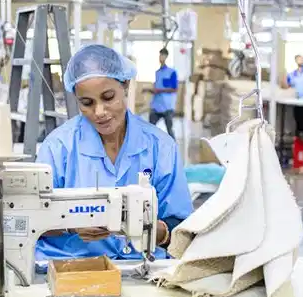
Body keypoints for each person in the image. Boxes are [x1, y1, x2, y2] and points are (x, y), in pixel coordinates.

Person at [35, 44, 193, 264]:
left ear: (125, 85)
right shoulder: (59, 147)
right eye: (87, 103)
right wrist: (70, 224)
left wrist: (147, 229)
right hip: (72, 266)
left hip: (142, 266)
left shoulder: (161, 147)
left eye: (108, 97)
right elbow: (31, 219)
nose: (99, 112)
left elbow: (182, 227)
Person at [146, 48, 178, 139]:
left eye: (163, 55)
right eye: (160, 55)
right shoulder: (158, 72)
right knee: (150, 128)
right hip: (156, 105)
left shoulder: (172, 72)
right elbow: (157, 87)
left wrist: (159, 91)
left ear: (166, 57)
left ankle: (174, 149)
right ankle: (150, 148)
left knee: (169, 130)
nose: (161, 57)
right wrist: (150, 90)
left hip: (167, 106)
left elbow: (174, 89)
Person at [281, 54, 303, 137]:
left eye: (300, 59)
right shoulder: (293, 74)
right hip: (296, 100)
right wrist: (284, 76)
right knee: (297, 118)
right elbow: (286, 85)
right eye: (297, 60)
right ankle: (299, 138)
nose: (299, 61)